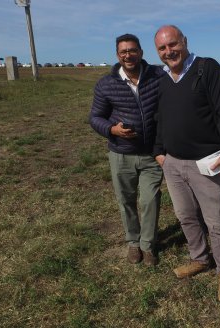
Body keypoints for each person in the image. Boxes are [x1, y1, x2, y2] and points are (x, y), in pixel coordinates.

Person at [153, 25, 220, 304]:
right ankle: (199, 258)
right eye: (163, 49)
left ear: (185, 42)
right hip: (172, 162)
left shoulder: (207, 68)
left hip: (205, 162)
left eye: (173, 45)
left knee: (216, 220)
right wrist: (158, 151)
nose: (169, 52)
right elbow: (162, 117)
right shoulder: (164, 78)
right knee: (186, 216)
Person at [90, 33, 164, 266]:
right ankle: (133, 242)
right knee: (126, 200)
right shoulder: (106, 83)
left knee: (150, 200)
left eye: (132, 50)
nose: (128, 55)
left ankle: (148, 245)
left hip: (152, 154)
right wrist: (112, 130)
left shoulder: (158, 77)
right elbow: (95, 117)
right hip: (121, 154)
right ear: (117, 55)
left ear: (141, 52)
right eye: (123, 52)